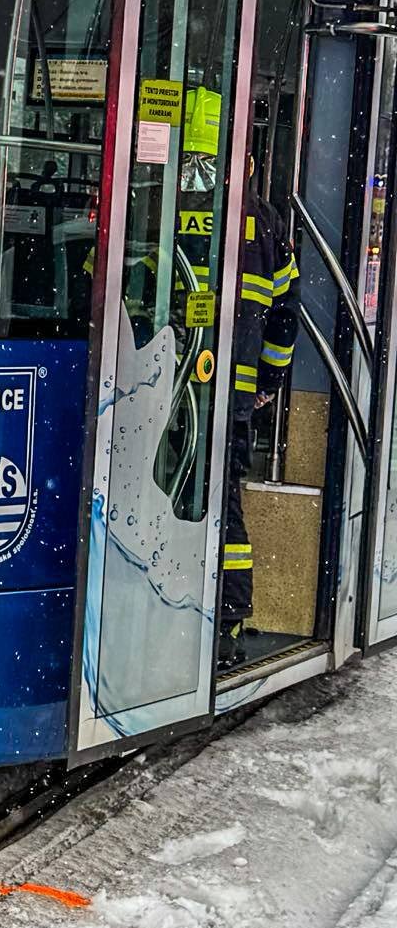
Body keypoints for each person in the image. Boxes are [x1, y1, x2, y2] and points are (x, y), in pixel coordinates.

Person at [177, 92, 298, 668]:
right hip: (232, 398)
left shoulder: (163, 205)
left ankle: (177, 610)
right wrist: (270, 376)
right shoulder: (270, 225)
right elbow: (284, 314)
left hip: (165, 387)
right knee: (221, 505)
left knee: (176, 497)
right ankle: (224, 622)